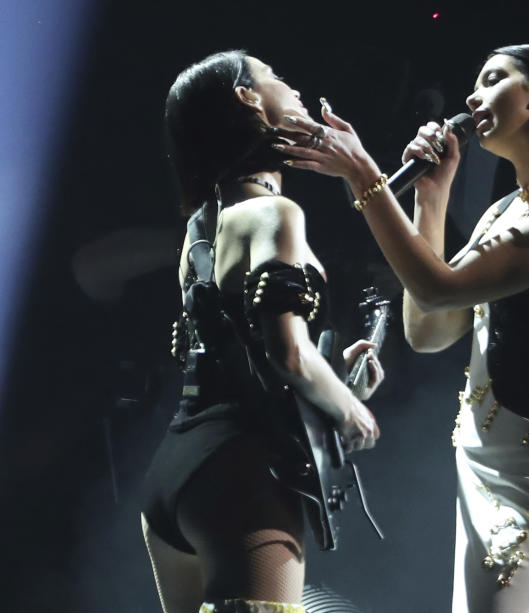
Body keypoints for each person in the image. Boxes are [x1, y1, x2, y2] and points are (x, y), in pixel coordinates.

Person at [275, 44, 529, 612]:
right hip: (486, 458)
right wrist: (430, 196)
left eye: (493, 79)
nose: (471, 96)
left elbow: (437, 287)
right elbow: (430, 328)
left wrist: (365, 174)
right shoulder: (504, 209)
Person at [140, 50, 383, 613]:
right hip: (241, 476)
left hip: (176, 473)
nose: (294, 89)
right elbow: (289, 354)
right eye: (277, 78)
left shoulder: (200, 232)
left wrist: (337, 379)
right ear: (247, 97)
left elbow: (235, 359)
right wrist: (350, 409)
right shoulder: (276, 214)